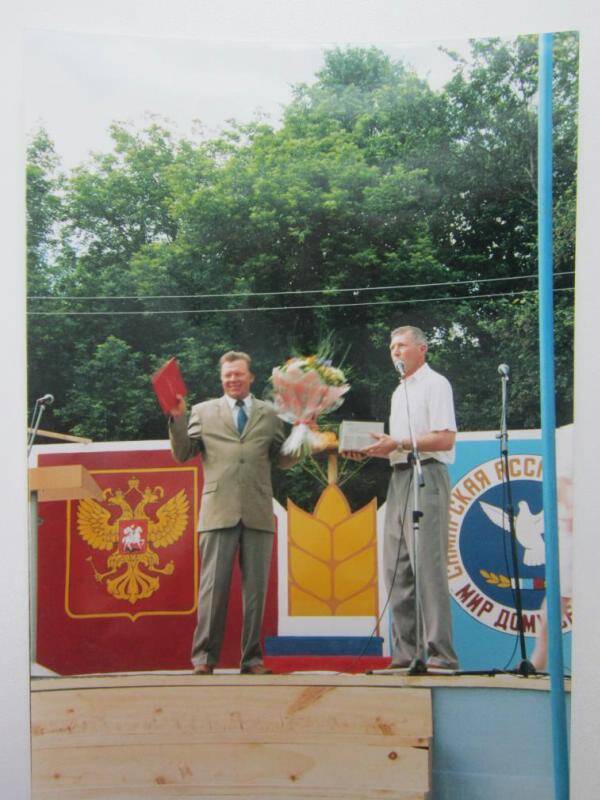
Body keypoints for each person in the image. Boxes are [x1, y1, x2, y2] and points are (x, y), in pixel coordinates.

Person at [169, 350, 295, 675]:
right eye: (227, 375)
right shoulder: (201, 411)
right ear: (220, 378)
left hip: (257, 509)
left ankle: (252, 659)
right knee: (213, 588)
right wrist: (178, 418)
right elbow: (183, 453)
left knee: (256, 592)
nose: (233, 380)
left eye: (239, 374)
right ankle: (204, 659)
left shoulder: (270, 414)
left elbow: (283, 459)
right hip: (217, 511)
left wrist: (304, 435)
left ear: (251, 377)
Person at [360, 325, 459, 671]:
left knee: (427, 567)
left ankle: (441, 655)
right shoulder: (396, 392)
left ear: (422, 349)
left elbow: (445, 439)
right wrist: (370, 451)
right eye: (391, 348)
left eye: (402, 346)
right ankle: (406, 653)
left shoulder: (436, 384)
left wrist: (398, 443)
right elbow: (397, 444)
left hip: (426, 475)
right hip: (399, 475)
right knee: (398, 567)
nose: (395, 352)